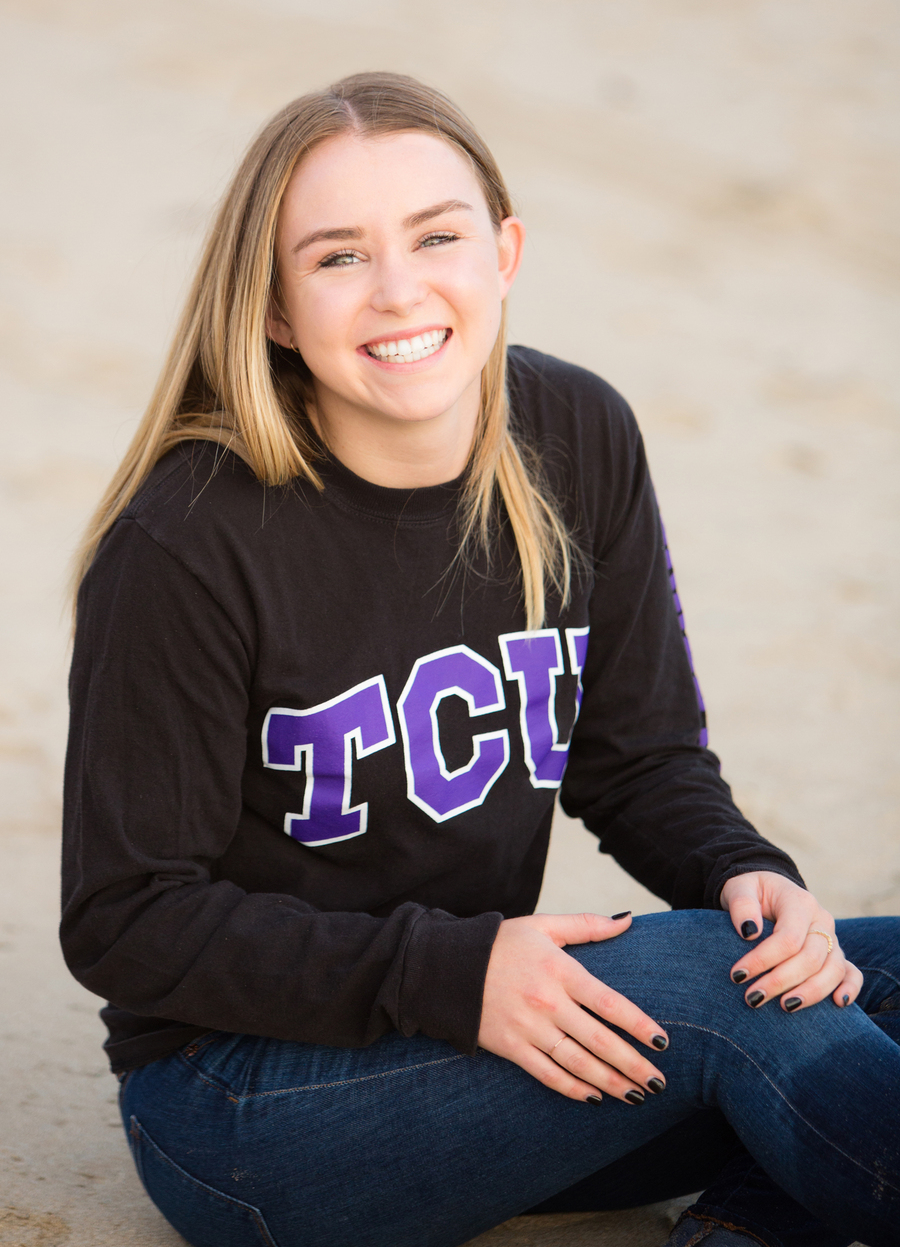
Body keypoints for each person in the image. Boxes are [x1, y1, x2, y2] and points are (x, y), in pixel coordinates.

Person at [61, 72, 900, 1247]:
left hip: (479, 1044)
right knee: (731, 1002)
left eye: (437, 236)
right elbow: (124, 919)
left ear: (504, 251)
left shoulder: (580, 432)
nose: (400, 288)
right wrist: (449, 974)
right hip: (243, 1106)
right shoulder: (189, 540)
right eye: (338, 257)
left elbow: (637, 755)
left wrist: (740, 872)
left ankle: (756, 1218)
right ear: (273, 309)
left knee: (854, 973)